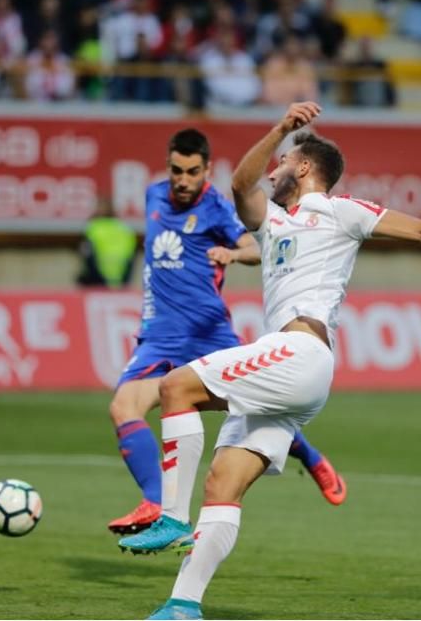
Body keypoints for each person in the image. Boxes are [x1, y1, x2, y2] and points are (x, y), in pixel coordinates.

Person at [119, 102, 421, 620]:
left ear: (303, 167)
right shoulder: (272, 221)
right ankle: (184, 605)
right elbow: (239, 184)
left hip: (301, 352)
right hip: (290, 370)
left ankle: (173, 518)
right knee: (222, 483)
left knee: (175, 388)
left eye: (283, 161)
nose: (272, 168)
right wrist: (280, 129)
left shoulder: (345, 212)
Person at [106, 127, 347, 536]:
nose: (183, 180)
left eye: (192, 172)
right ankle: (155, 502)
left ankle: (310, 457)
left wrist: (233, 253)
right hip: (159, 334)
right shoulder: (154, 195)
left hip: (207, 331)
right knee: (123, 407)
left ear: (207, 169)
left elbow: (259, 246)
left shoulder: (217, 207)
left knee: (257, 408)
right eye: (176, 170)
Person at [76, 198, 137, 289]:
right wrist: (125, 281)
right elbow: (131, 258)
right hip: (121, 280)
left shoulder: (93, 228)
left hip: (97, 281)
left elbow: (88, 256)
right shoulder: (125, 229)